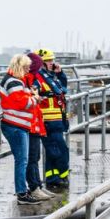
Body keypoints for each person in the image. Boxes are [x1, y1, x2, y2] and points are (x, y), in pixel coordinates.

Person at [0, 53, 48, 204]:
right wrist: (36, 99)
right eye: (26, 68)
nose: (28, 71)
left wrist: (30, 96)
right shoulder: (14, 82)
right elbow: (22, 103)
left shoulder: (15, 81)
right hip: (16, 126)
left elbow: (22, 99)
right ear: (20, 67)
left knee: (23, 160)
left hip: (17, 125)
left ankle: (23, 191)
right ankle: (21, 193)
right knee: (22, 160)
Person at [35, 49, 72, 192]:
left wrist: (60, 73)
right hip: (47, 120)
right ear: (42, 63)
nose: (52, 63)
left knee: (52, 152)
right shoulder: (38, 78)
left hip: (57, 119)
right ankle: (62, 175)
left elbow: (62, 89)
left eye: (52, 60)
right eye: (49, 60)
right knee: (59, 150)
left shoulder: (52, 76)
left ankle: (52, 179)